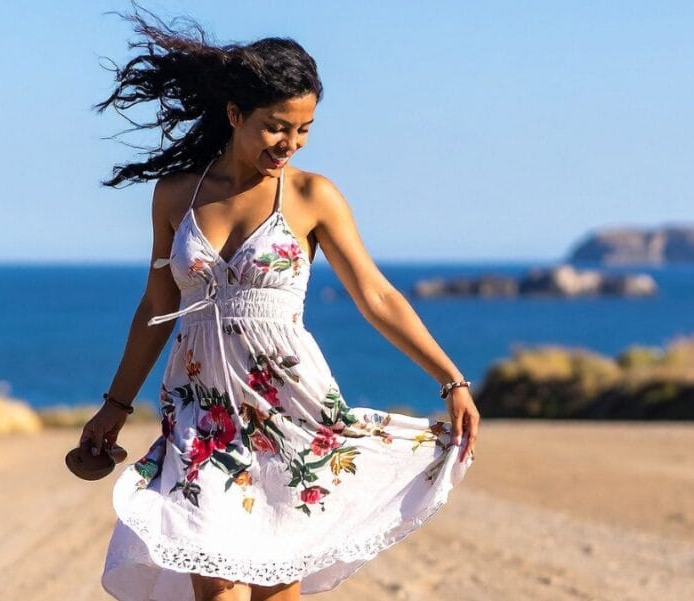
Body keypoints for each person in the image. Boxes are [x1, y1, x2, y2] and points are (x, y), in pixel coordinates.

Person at [83, 6, 479, 601]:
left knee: (275, 588)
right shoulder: (176, 195)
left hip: (289, 407)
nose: (289, 144)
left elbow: (376, 295)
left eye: (304, 129)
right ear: (235, 114)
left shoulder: (312, 195)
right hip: (200, 408)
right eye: (275, 127)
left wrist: (452, 380)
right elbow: (155, 307)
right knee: (215, 586)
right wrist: (115, 405)